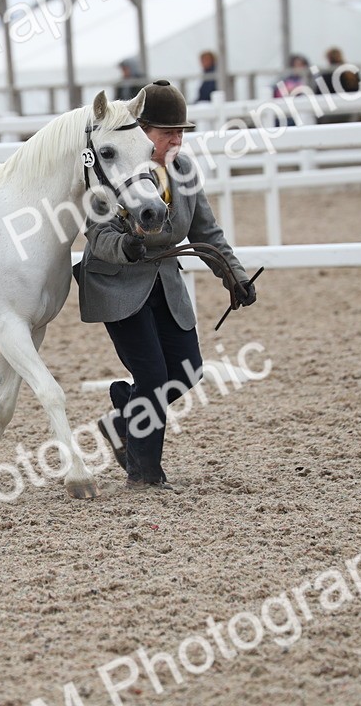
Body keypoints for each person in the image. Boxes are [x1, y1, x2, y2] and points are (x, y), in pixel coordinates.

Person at [76, 80, 257, 489]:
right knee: (155, 377)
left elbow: (206, 231)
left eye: (181, 132)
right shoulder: (113, 168)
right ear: (141, 132)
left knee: (188, 370)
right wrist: (126, 245)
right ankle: (145, 474)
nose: (177, 140)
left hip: (164, 284)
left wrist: (235, 275)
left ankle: (122, 420)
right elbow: (97, 236)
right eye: (168, 133)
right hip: (118, 284)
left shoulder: (184, 170)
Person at [316, 47, 360, 124]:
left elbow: (318, 93)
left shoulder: (327, 75)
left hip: (331, 113)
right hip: (350, 111)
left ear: (328, 59)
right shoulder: (351, 72)